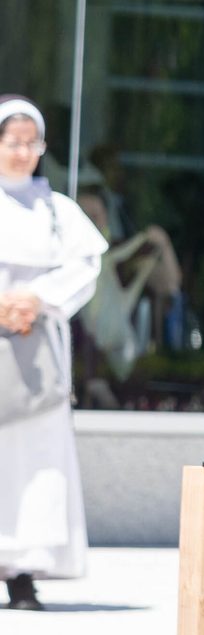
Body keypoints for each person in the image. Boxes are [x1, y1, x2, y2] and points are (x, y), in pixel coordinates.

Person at [0, 97, 107, 609]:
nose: (23, 153)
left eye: (31, 143)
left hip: (35, 343)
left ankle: (23, 570)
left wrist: (36, 299)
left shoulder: (56, 209)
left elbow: (85, 265)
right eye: (13, 142)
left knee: (35, 459)